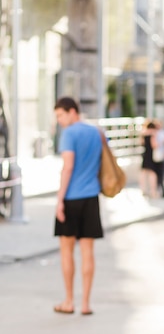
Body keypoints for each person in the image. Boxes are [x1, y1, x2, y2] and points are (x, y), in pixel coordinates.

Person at [53, 96, 103, 316]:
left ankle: (69, 300)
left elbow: (68, 167)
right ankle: (85, 304)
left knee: (66, 250)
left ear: (72, 111)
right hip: (91, 197)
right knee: (88, 252)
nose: (59, 120)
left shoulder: (69, 133)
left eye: (60, 115)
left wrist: (59, 199)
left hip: (71, 198)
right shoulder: (95, 132)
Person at [139, 120, 159, 198]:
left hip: (145, 155)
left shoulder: (143, 134)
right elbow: (154, 145)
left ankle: (143, 189)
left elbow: (141, 143)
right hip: (150, 155)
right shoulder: (153, 134)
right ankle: (153, 191)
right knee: (152, 174)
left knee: (143, 173)